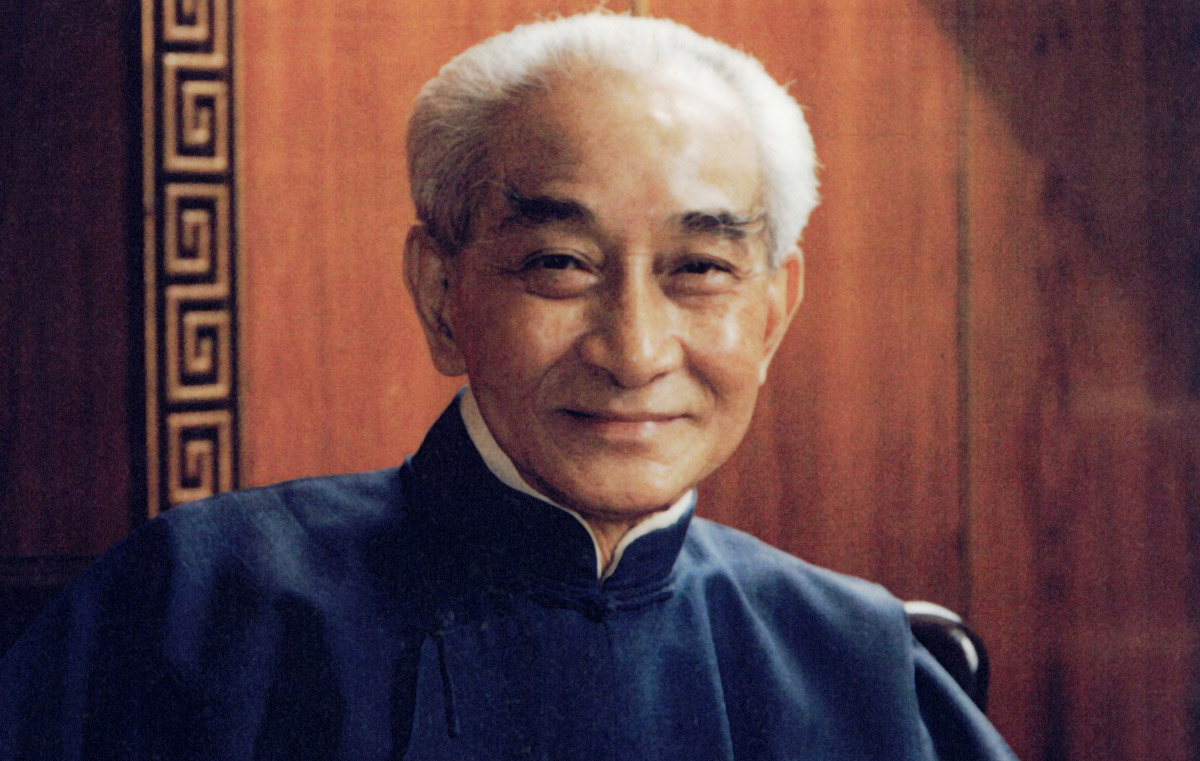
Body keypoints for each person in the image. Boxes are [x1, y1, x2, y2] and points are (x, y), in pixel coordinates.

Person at [0, 12, 1018, 761]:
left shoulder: (858, 660)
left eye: (699, 268)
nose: (633, 350)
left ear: (773, 312)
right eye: (560, 264)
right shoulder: (201, 606)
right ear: (442, 296)